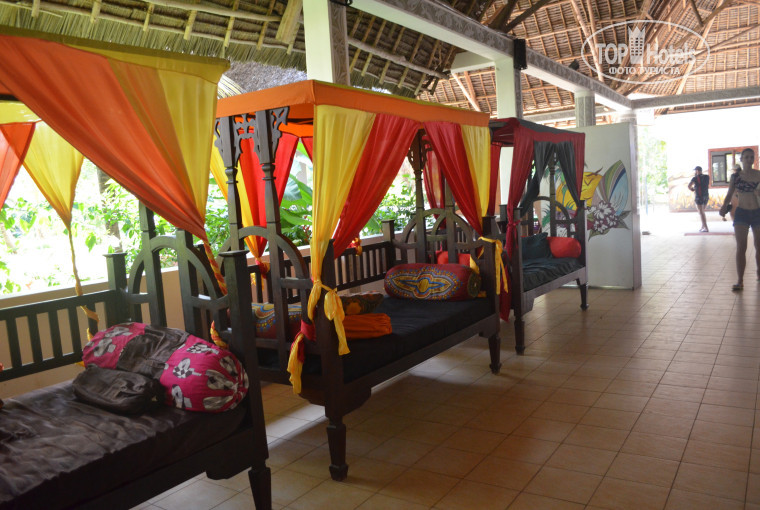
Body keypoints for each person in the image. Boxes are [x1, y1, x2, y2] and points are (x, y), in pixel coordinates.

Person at [719, 148, 760, 291]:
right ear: (741, 159)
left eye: (751, 157)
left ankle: (759, 272)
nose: (749, 159)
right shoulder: (735, 177)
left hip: (757, 213)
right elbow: (729, 193)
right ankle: (740, 280)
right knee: (741, 247)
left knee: (759, 246)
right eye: (746, 157)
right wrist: (724, 206)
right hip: (742, 213)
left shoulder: (758, 174)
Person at [688, 165, 710, 232]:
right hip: (706, 196)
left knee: (701, 213)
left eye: (695, 171)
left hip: (699, 197)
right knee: (702, 212)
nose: (695, 172)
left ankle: (706, 227)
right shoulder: (707, 177)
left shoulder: (695, 178)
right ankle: (702, 226)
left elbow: (689, 186)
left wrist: (692, 189)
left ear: (697, 171)